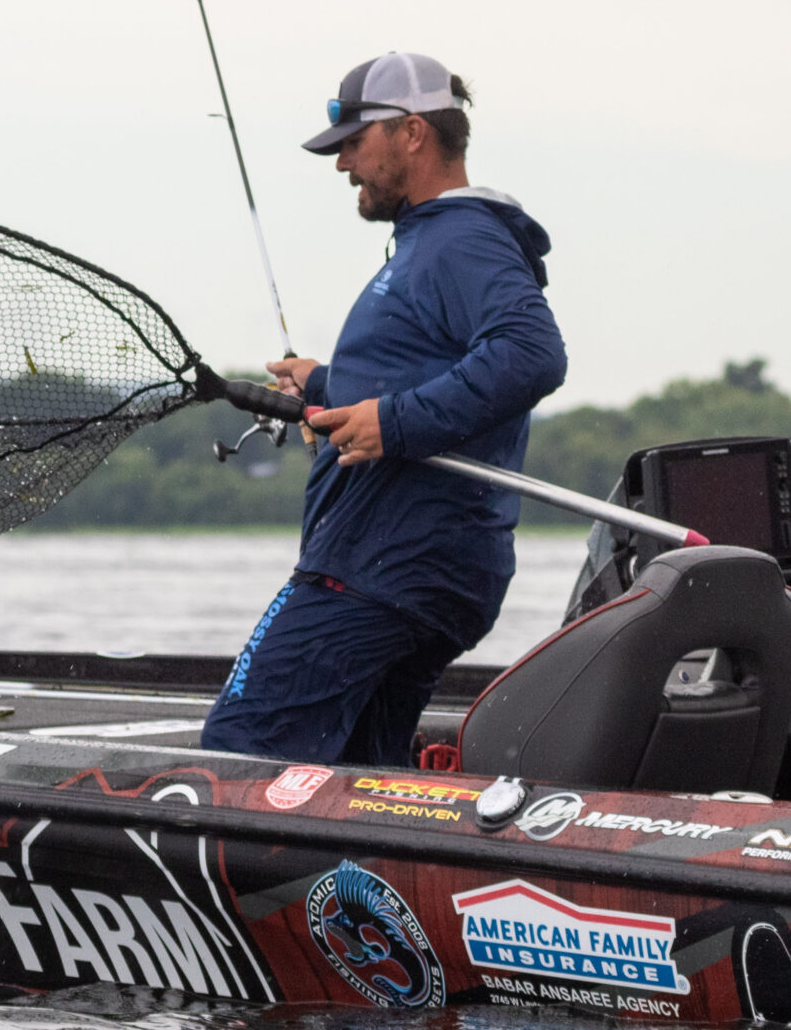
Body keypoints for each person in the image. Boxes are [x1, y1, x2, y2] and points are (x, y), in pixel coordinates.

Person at [198, 52, 567, 766]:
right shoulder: (434, 242)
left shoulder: (462, 238)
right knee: (362, 770)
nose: (342, 167)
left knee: (238, 756)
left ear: (412, 134)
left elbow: (531, 353)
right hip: (424, 570)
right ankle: (362, 879)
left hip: (379, 569)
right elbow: (422, 370)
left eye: (353, 145)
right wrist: (331, 387)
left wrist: (390, 424)